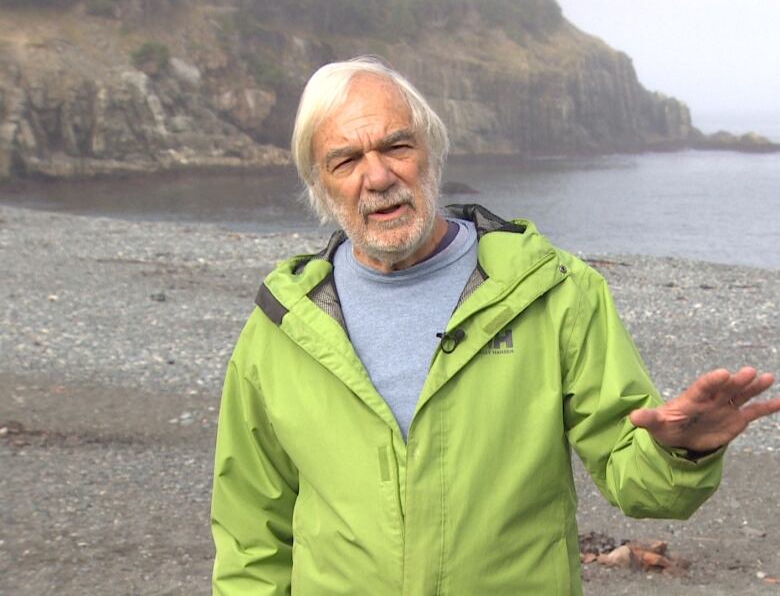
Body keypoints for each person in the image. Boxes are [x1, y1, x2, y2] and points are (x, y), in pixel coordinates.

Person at [210, 56, 778, 595]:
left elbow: (637, 477)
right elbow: (250, 537)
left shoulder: (553, 291)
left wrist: (680, 454)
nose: (378, 176)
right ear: (319, 184)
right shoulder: (282, 326)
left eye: (396, 145)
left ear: (431, 151)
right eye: (346, 160)